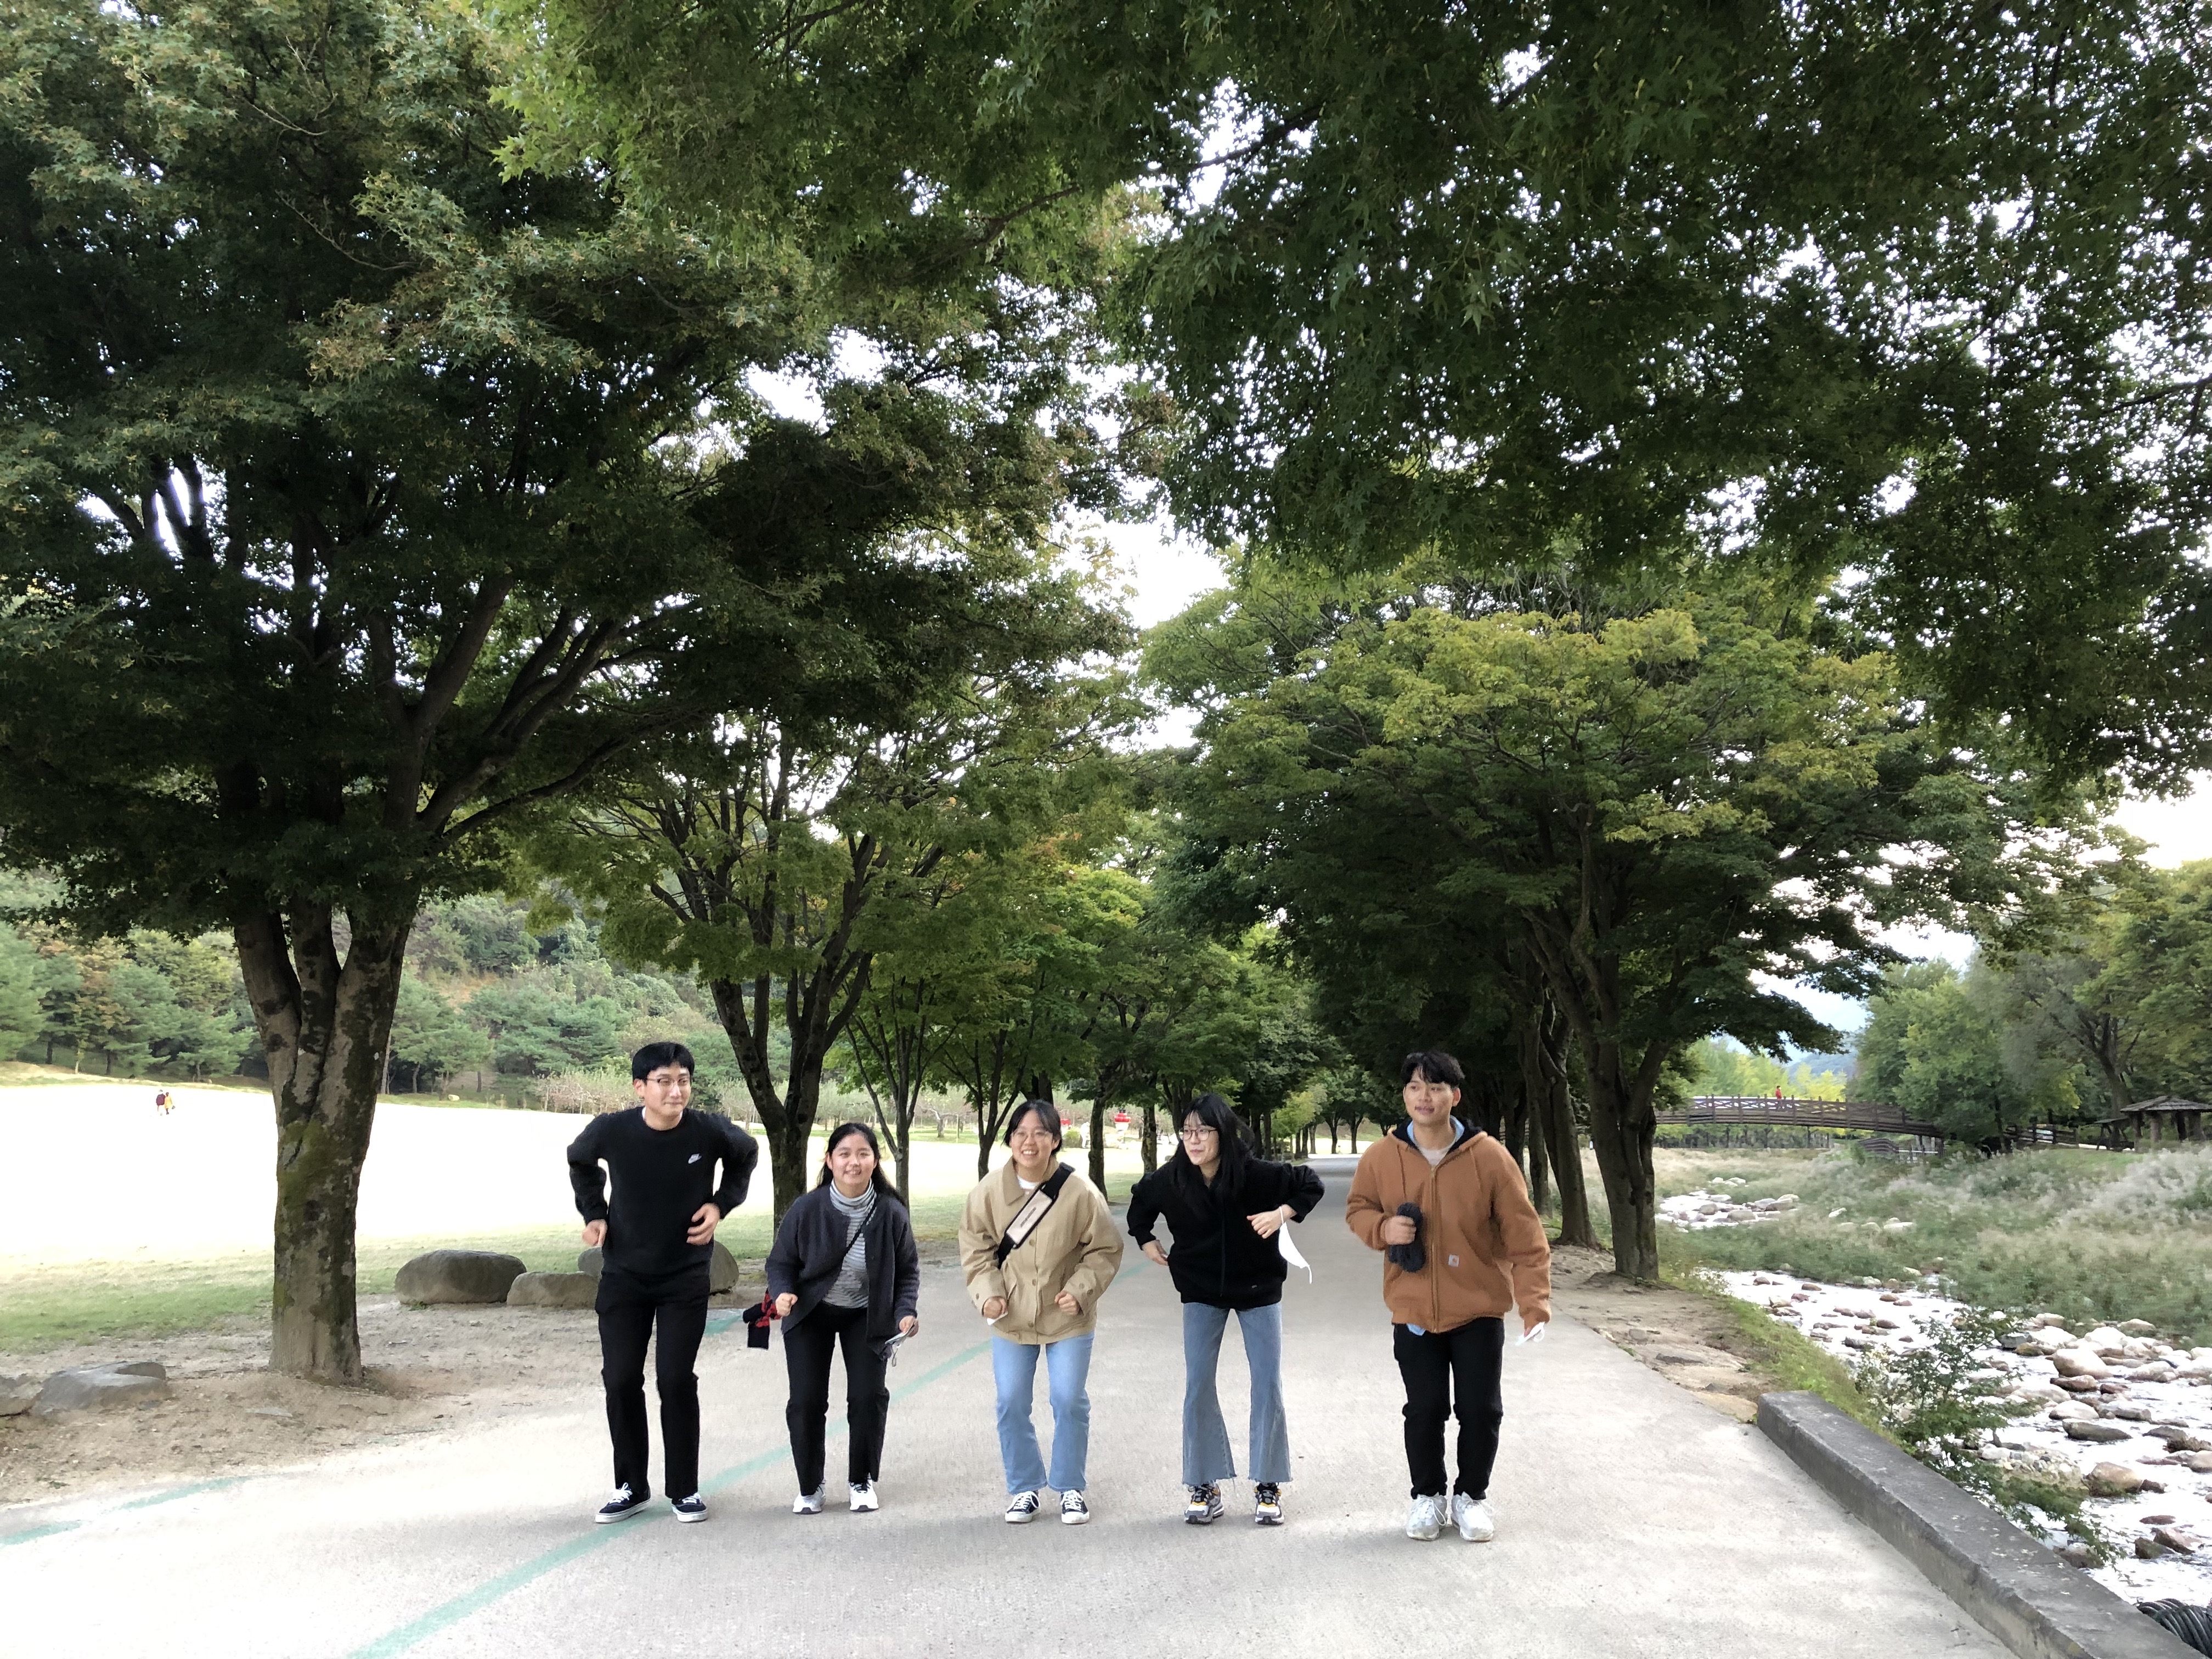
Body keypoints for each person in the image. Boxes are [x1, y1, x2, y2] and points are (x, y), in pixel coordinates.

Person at [1345, 1049, 1550, 1544]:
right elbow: (1358, 1209)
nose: (1425, 1097)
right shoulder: (1382, 1156)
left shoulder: (1489, 1157)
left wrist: (1534, 1303)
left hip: (1477, 1309)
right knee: (1424, 1409)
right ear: (1405, 1095)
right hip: (1413, 1309)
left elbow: (1525, 1236)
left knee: (1481, 1410)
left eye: (1435, 1087)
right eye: (1415, 1087)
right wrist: (1382, 1228)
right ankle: (1428, 1497)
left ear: (1454, 1096)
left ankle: (1471, 1498)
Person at [566, 1041, 758, 1526]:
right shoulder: (612, 1130)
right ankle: (631, 1485)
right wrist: (595, 1214)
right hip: (624, 1275)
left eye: (684, 1081)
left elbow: (746, 1153)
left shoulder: (709, 1130)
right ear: (640, 1087)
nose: (677, 1091)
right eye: (665, 1081)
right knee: (621, 1379)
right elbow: (580, 1160)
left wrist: (720, 1204)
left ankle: (685, 1489)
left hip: (685, 1275)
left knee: (675, 1380)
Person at [1126, 1092, 1323, 1527]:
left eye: (1203, 1131)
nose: (1193, 1140)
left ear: (1224, 1133)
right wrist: (1145, 1239)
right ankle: (1204, 1484)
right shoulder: (1174, 1178)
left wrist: (1282, 1213)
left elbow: (1310, 1183)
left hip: (1258, 1289)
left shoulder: (1258, 1175)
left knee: (1267, 1383)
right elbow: (1140, 1204)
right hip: (1200, 1291)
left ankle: (1268, 1484)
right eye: (1187, 1131)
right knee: (1198, 1384)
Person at [957, 1100, 1124, 1525]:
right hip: (1011, 1318)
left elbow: (1105, 1248)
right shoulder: (988, 1192)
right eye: (1020, 1133)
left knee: (1068, 1400)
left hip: (1068, 1316)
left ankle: (1070, 1488)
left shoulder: (1079, 1191)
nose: (1029, 1142)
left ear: (1055, 1140)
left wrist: (1080, 1290)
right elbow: (976, 1250)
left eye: (1040, 1134)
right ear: (1010, 1139)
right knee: (1011, 1402)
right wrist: (988, 1294)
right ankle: (1024, 1488)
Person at [765, 1121, 920, 1515]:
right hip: (811, 1312)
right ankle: (810, 1486)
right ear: (830, 1160)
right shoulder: (807, 1208)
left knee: (868, 1397)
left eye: (863, 1154)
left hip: (866, 1315)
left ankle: (861, 1480)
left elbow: (907, 1270)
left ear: (875, 1161)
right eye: (845, 1154)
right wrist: (783, 1292)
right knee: (806, 1401)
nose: (854, 1162)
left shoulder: (891, 1212)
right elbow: (780, 1262)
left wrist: (905, 1312)